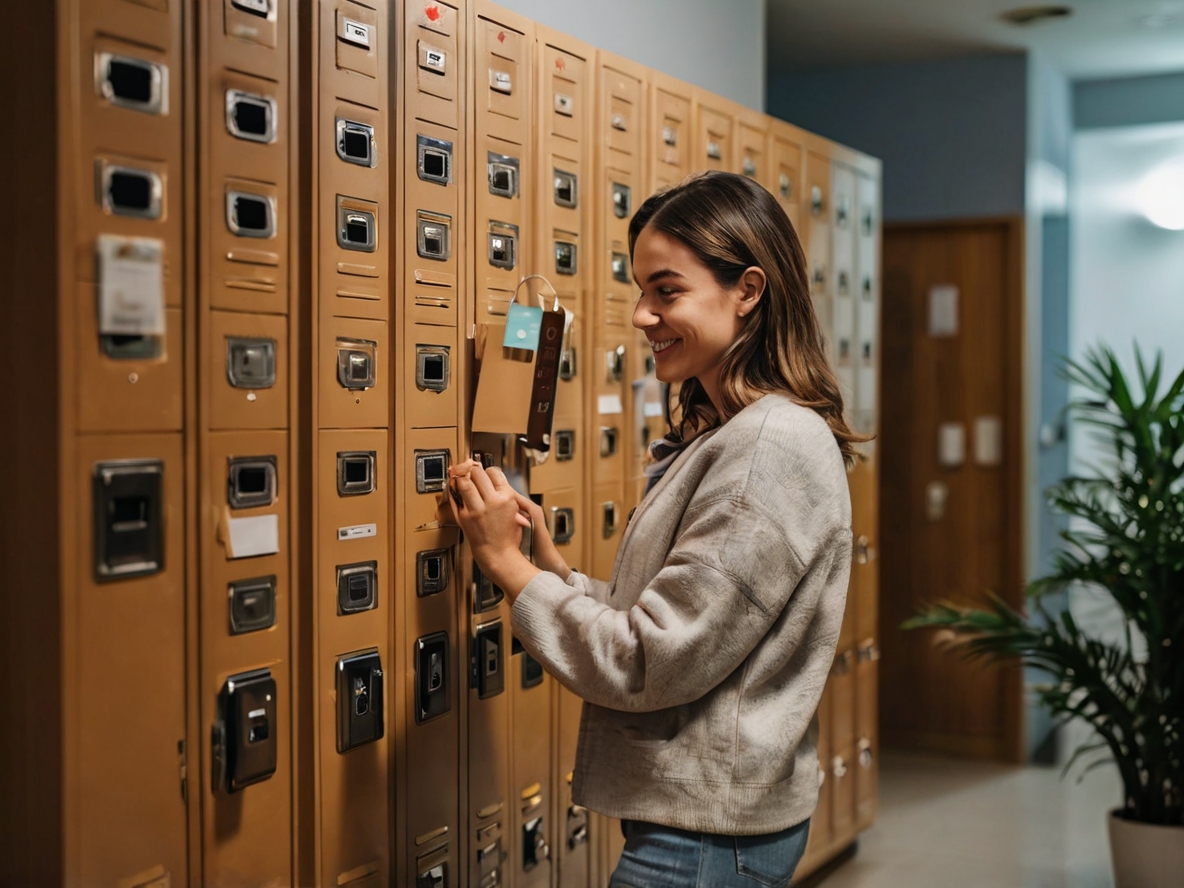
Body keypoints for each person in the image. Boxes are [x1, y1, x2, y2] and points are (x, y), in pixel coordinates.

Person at [446, 170, 861, 887]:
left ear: (748, 291)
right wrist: (553, 573)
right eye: (641, 291)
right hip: (708, 829)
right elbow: (689, 624)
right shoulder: (733, 433)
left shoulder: (767, 447)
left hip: (702, 842)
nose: (642, 315)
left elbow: (651, 660)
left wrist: (506, 568)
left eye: (667, 292)